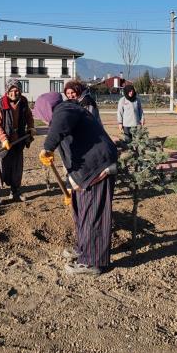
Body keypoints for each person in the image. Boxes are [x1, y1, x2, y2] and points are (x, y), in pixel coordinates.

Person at [36, 92, 119, 276]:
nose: (43, 121)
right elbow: (72, 156)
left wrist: (48, 146)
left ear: (47, 109)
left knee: (93, 213)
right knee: (81, 210)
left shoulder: (65, 109)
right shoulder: (70, 111)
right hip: (90, 167)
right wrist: (70, 185)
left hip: (99, 166)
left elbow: (61, 124)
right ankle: (83, 248)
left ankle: (92, 262)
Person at [0, 81, 35, 205]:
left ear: (20, 91)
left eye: (16, 90)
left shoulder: (23, 103)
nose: (14, 93)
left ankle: (15, 192)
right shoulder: (0, 105)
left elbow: (29, 117)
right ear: (7, 92)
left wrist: (31, 128)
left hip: (17, 140)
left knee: (16, 167)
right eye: (11, 91)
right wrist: (3, 139)